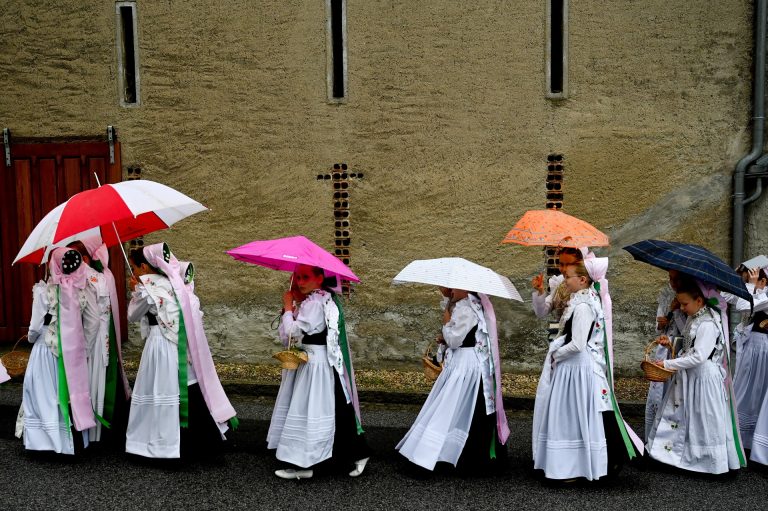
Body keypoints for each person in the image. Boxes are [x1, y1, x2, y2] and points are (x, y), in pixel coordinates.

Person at [532, 258, 640, 481]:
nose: (565, 280)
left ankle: (575, 466)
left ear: (582, 280)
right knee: (571, 417)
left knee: (573, 416)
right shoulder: (581, 300)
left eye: (568, 276)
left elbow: (578, 343)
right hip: (572, 368)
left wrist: (555, 354)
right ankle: (570, 465)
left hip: (577, 369)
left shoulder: (583, 306)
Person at [126, 243, 237, 459]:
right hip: (182, 344)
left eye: (134, 267)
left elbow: (132, 315)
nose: (134, 272)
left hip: (159, 344)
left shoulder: (147, 286)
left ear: (144, 267)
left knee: (160, 389)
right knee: (186, 387)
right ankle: (200, 443)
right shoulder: (176, 283)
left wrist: (135, 290)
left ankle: (162, 445)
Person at [267, 264, 370, 479]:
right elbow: (288, 337)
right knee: (334, 409)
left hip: (317, 363)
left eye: (306, 277)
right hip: (313, 361)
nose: (300, 282)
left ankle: (310, 463)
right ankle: (352, 453)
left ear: (320, 278)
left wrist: (288, 308)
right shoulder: (315, 300)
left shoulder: (315, 302)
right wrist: (293, 309)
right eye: (298, 277)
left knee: (315, 410)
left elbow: (293, 331)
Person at [396, 286, 509, 473]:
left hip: (466, 365)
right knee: (462, 407)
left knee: (450, 405)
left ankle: (444, 454)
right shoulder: (469, 304)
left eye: (451, 287)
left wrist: (446, 323)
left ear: (465, 289)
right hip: (467, 361)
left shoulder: (465, 308)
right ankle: (460, 453)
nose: (447, 289)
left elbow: (455, 340)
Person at [646, 280, 744, 474]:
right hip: (692, 375)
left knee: (703, 419)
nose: (681, 308)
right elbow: (690, 345)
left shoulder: (708, 322)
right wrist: (670, 343)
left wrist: (667, 364)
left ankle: (708, 462)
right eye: (680, 303)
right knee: (688, 418)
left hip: (704, 378)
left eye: (685, 304)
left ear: (699, 300)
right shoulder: (696, 318)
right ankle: (677, 458)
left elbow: (699, 356)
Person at [20, 248, 96, 454]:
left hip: (46, 348)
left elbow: (35, 326)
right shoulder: (80, 290)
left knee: (43, 393)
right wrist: (84, 347)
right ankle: (70, 440)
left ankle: (45, 441)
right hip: (71, 353)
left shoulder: (44, 290)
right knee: (69, 393)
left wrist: (31, 339)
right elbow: (91, 322)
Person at [644, 270, 687, 440]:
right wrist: (662, 322)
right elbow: (659, 325)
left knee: (671, 396)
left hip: (677, 353)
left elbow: (686, 332)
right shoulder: (666, 295)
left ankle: (666, 438)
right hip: (663, 350)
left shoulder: (688, 300)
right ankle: (650, 439)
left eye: (676, 279)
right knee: (656, 394)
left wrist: (677, 313)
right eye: (670, 278)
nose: (673, 283)